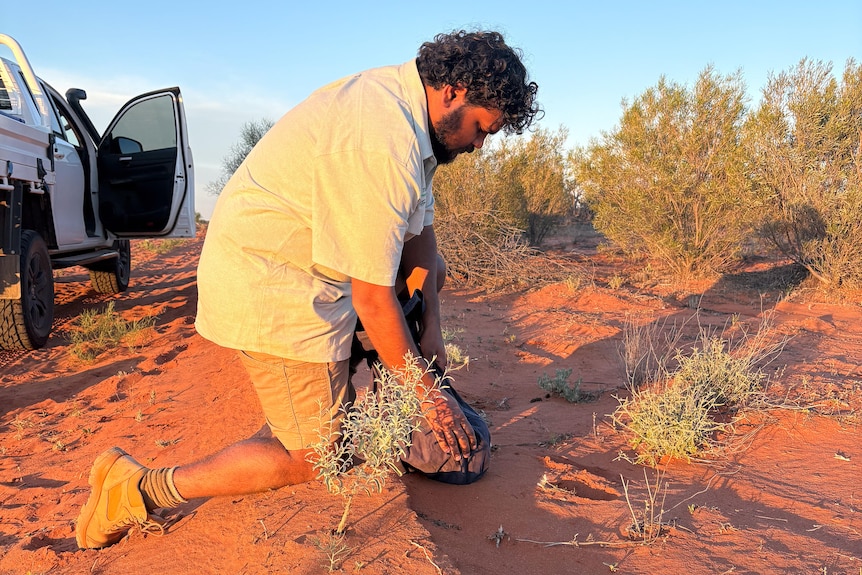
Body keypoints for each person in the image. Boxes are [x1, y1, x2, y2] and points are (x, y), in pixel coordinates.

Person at [75, 29, 540, 549]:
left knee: (433, 274)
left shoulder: (410, 122)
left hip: (316, 277)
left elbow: (422, 241)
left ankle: (337, 401)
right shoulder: (379, 138)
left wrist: (430, 335)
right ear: (454, 91)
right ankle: (137, 489)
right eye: (483, 128)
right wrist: (430, 397)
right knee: (314, 458)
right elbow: (371, 295)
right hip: (274, 288)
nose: (480, 145)